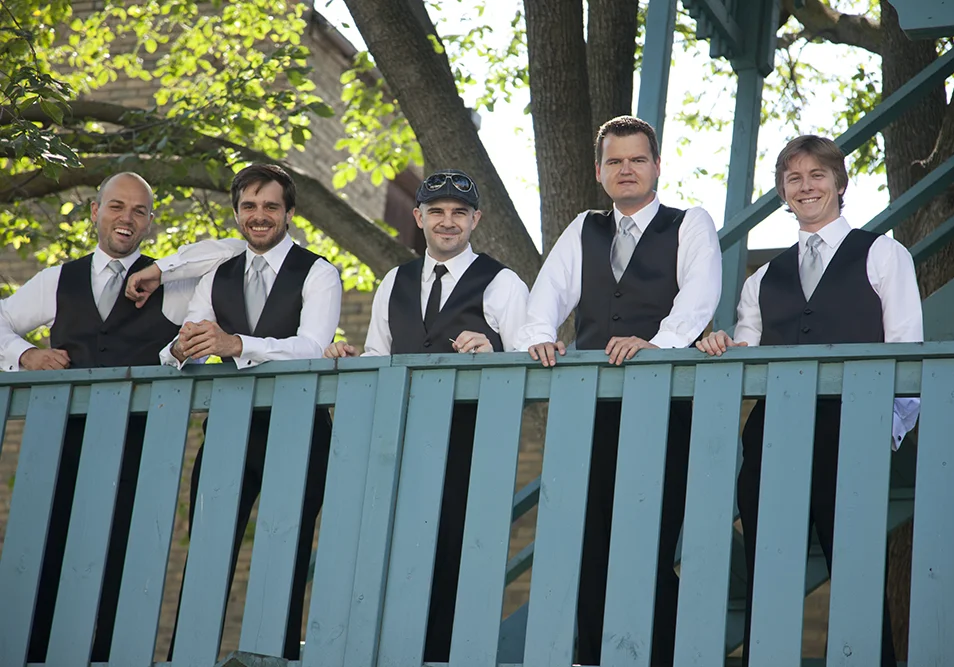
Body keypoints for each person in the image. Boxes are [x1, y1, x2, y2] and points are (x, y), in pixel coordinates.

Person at [696, 135, 921, 667]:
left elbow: (909, 352)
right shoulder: (762, 279)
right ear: (782, 193)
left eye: (817, 175)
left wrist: (883, 429)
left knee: (857, 576)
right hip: (773, 438)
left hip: (853, 432)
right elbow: (747, 350)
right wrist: (720, 344)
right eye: (793, 178)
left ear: (840, 184)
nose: (806, 186)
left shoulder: (884, 254)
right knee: (767, 575)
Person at [518, 115, 723, 666]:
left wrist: (663, 343)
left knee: (650, 545)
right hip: (589, 410)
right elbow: (546, 298)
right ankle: (591, 660)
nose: (626, 169)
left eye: (637, 159)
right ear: (599, 170)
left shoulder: (689, 223)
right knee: (585, 545)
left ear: (656, 166)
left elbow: (700, 296)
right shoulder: (584, 227)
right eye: (615, 161)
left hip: (666, 405)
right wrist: (539, 338)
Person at [325, 169, 528, 661]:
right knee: (397, 557)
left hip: (471, 443)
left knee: (458, 557)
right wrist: (348, 361)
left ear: (475, 219)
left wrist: (496, 348)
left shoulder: (502, 282)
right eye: (436, 212)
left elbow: (529, 360)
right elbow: (379, 356)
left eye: (459, 213)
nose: (447, 222)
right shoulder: (394, 280)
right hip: (401, 441)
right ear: (418, 217)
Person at [0, 172, 202, 662]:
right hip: (63, 437)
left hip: (141, 442)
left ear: (152, 222)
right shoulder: (58, 279)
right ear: (95, 211)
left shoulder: (173, 283)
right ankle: (32, 655)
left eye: (139, 211)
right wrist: (25, 355)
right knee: (48, 548)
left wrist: (170, 266)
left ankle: (113, 656)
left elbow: (233, 253)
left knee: (125, 557)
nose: (126, 219)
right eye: (117, 207)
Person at [142, 163, 341, 660]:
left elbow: (314, 347)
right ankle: (186, 656)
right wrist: (181, 350)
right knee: (207, 550)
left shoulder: (319, 272)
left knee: (286, 553)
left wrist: (236, 343)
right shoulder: (218, 276)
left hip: (300, 434)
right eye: (249, 206)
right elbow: (180, 341)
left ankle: (276, 658)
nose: (259, 216)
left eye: (271, 206)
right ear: (236, 213)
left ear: (289, 213)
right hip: (228, 433)